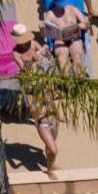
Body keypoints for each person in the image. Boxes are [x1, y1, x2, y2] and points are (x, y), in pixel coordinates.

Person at [22, 32, 61, 175]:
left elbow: (50, 65)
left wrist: (46, 53)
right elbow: (31, 104)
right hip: (42, 119)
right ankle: (50, 170)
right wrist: (36, 109)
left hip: (53, 116)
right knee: (53, 148)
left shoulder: (47, 81)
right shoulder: (29, 86)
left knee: (49, 145)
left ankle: (51, 163)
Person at [42, 0, 87, 74]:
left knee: (76, 56)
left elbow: (85, 25)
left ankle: (80, 80)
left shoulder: (72, 9)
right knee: (61, 59)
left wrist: (75, 27)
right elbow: (44, 34)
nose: (63, 6)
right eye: (60, 5)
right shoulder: (50, 14)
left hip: (74, 37)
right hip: (59, 40)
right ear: (55, 3)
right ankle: (67, 83)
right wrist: (42, 28)